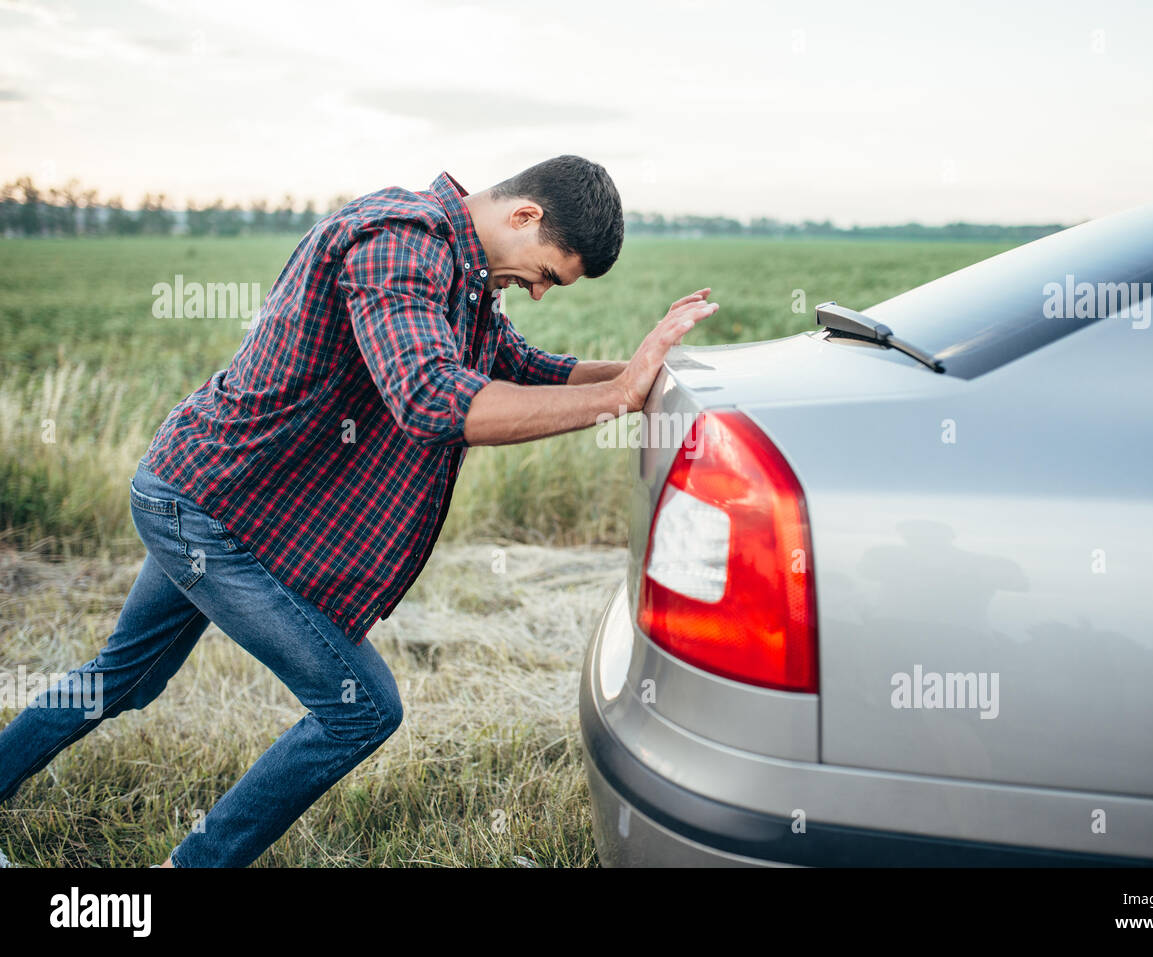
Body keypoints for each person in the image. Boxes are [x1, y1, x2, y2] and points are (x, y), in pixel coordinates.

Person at [0, 154, 718, 867]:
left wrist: (639, 373)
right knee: (362, 707)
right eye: (547, 274)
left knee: (125, 675)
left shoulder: (465, 274)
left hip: (232, 504)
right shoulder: (399, 240)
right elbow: (431, 398)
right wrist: (615, 399)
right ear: (525, 216)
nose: (537, 292)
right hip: (206, 505)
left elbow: (519, 365)